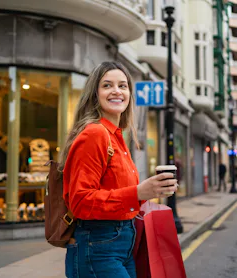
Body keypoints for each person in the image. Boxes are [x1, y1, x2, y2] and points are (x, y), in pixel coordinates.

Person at [59, 61, 178, 278]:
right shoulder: (95, 134)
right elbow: (80, 202)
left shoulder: (116, 137)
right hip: (98, 247)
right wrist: (138, 193)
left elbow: (118, 196)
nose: (117, 91)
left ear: (130, 94)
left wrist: (151, 191)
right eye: (107, 85)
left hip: (121, 245)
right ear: (95, 94)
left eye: (123, 86)